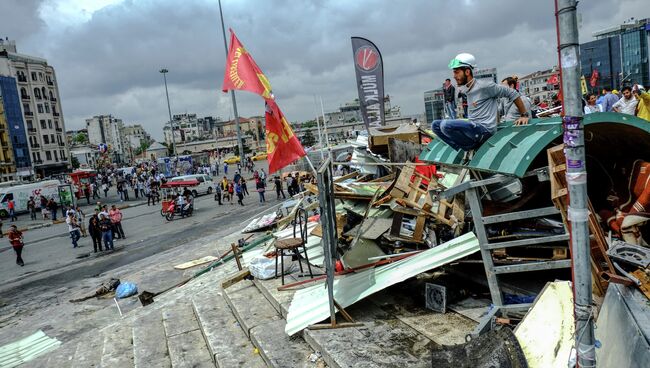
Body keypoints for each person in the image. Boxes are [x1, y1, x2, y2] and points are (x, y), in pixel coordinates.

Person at [431, 53, 529, 155]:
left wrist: (524, 115)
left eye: (456, 72)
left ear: (467, 72)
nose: (454, 76)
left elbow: (512, 93)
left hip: (484, 131)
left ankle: (469, 147)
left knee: (445, 125)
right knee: (435, 126)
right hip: (474, 129)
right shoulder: (467, 89)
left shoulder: (485, 86)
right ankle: (462, 150)